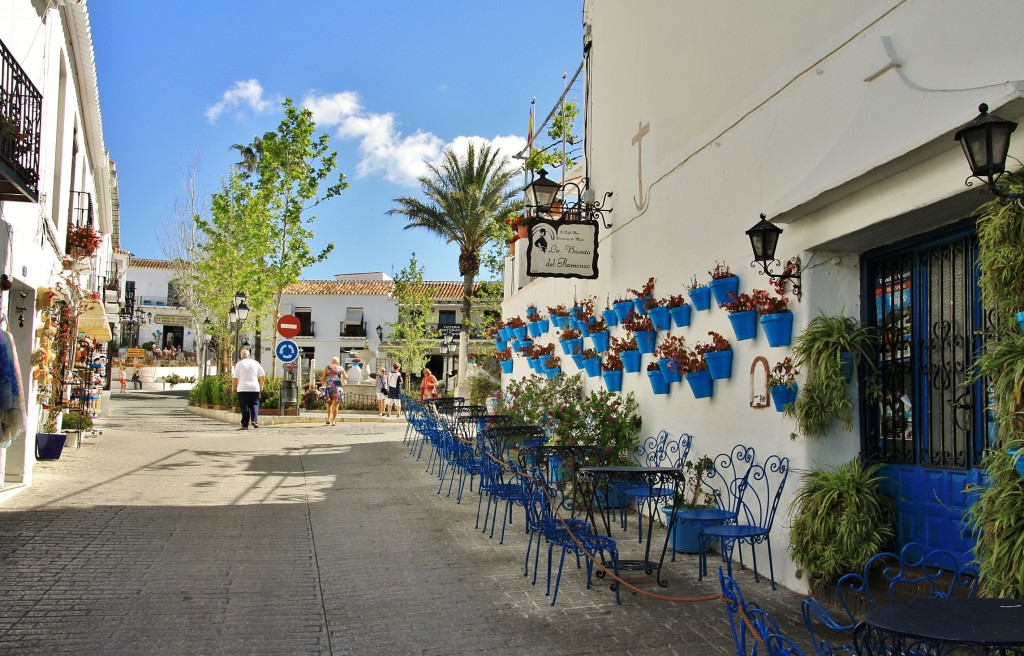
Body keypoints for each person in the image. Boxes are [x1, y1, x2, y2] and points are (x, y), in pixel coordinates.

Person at [231, 348, 266, 431]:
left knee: (244, 406)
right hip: (254, 387)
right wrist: (261, 385)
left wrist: (233, 387)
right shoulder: (255, 363)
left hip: (242, 388)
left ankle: (245, 425)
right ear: (249, 355)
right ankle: (254, 420)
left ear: (241, 356)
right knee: (254, 404)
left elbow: (235, 378)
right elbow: (262, 375)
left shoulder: (239, 364)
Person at [321, 357, 347, 426]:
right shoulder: (341, 368)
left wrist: (323, 384)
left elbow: (323, 378)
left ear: (332, 362)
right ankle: (334, 421)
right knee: (336, 406)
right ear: (338, 362)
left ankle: (328, 418)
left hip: (329, 387)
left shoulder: (327, 367)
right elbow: (346, 377)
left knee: (329, 405)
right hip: (337, 387)